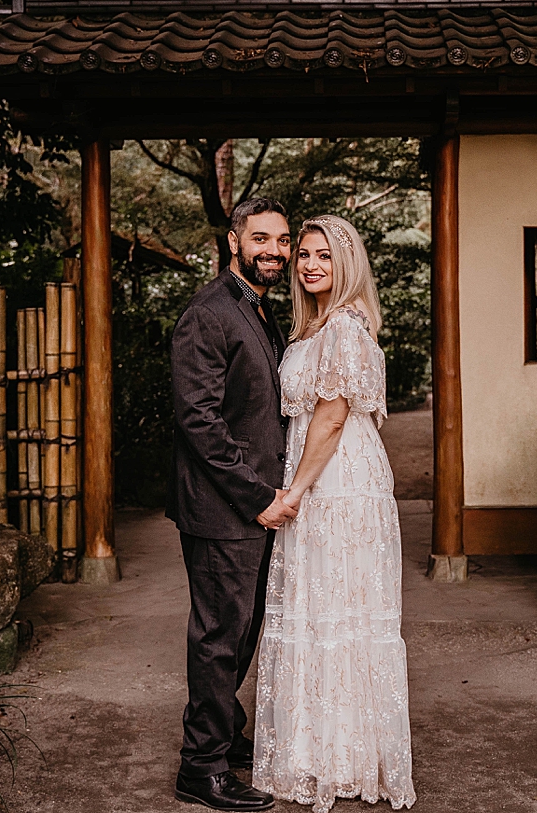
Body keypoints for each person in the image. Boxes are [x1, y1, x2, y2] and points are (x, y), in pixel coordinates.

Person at [252, 215, 416, 813]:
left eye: (324, 255)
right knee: (320, 610)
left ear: (347, 265)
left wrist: (292, 492)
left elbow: (330, 416)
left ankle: (342, 758)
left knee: (339, 612)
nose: (311, 265)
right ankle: (321, 751)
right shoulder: (312, 328)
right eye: (304, 255)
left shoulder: (344, 328)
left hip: (336, 485)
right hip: (321, 479)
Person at [169, 198, 300, 812]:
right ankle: (201, 767)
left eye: (282, 240)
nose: (274, 250)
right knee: (221, 636)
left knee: (240, 631)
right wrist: (258, 499)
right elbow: (199, 421)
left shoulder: (257, 309)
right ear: (234, 241)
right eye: (262, 239)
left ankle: (223, 735)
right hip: (224, 509)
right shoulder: (209, 312)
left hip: (251, 504)